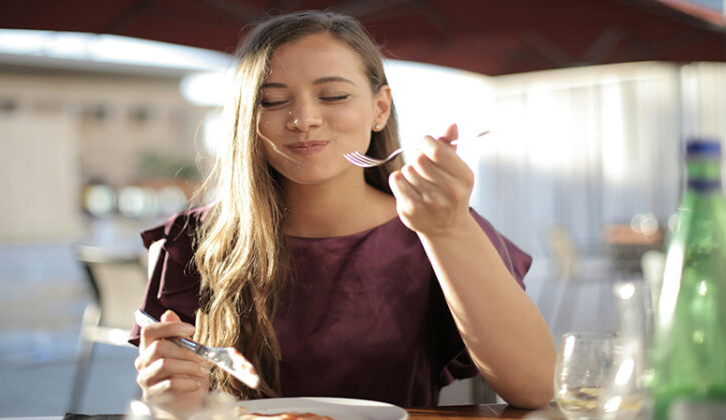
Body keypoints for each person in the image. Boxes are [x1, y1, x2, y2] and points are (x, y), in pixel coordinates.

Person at [130, 9, 555, 417]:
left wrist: (448, 230)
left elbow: (536, 387)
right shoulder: (192, 241)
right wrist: (168, 399)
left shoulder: (437, 225)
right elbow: (176, 403)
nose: (304, 119)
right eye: (273, 102)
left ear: (380, 108)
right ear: (247, 121)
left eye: (333, 95)